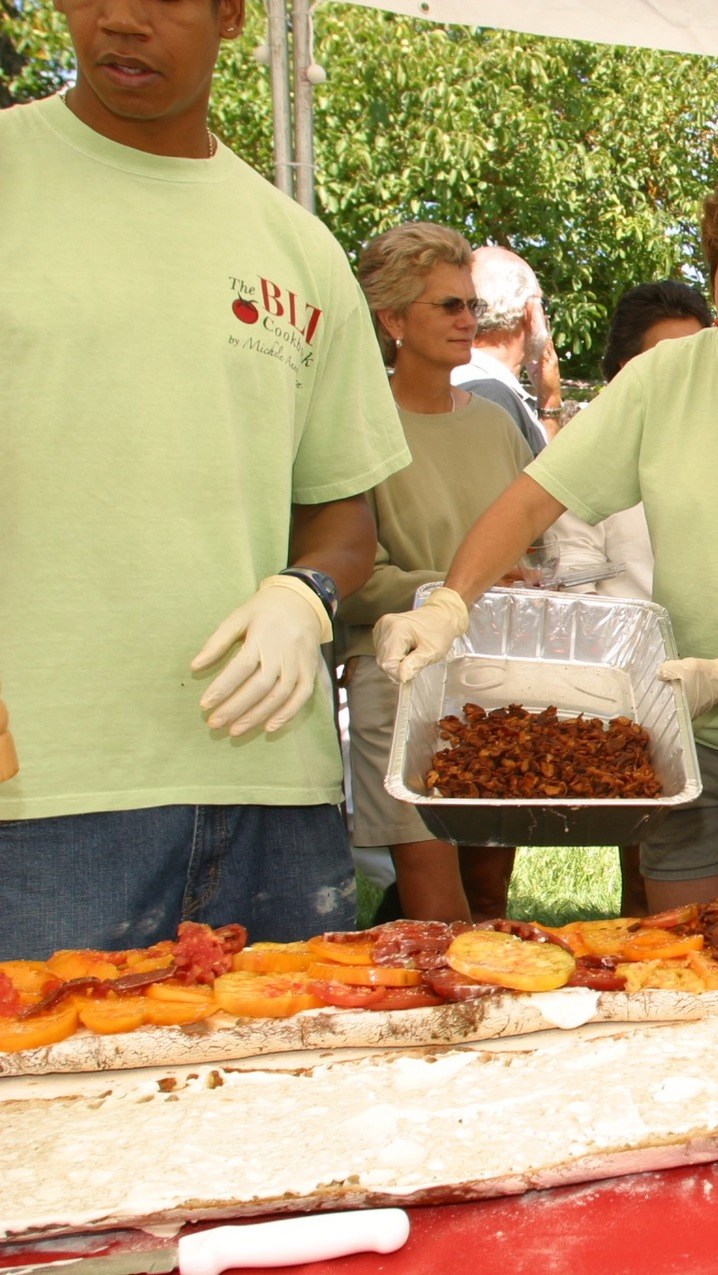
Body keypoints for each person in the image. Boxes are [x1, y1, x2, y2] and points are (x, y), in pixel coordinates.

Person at [374, 160, 718, 912]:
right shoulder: (666, 376)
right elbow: (533, 500)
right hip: (680, 732)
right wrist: (449, 604)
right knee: (685, 942)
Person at [0, 0, 409, 958]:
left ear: (232, 14)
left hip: (274, 789)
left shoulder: (297, 248)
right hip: (43, 789)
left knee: (274, 1097)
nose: (124, 20)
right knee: (47, 1103)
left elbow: (346, 522)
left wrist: (303, 595)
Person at [338, 222, 535, 922]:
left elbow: (537, 548)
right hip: (398, 677)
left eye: (470, 304)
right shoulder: (354, 428)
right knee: (435, 901)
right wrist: (457, 588)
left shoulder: (496, 425)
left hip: (497, 677)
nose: (467, 320)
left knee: (489, 893)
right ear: (392, 319)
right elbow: (351, 580)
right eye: (446, 305)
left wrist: (528, 579)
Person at [548, 279, 712, 918]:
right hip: (639, 699)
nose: (684, 375)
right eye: (661, 360)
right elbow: (576, 589)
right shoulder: (585, 453)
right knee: (656, 883)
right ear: (621, 373)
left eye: (699, 357)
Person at [547, 280, 716, 606]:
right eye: (671, 358)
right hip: (625, 647)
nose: (691, 372)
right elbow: (573, 581)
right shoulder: (584, 452)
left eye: (699, 358)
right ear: (627, 368)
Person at [453, 245, 559, 457]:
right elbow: (534, 486)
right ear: (530, 311)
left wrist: (547, 402)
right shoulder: (491, 394)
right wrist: (552, 404)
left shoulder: (462, 379)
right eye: (543, 304)